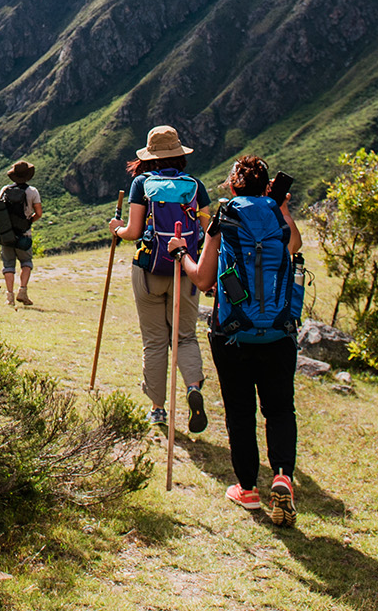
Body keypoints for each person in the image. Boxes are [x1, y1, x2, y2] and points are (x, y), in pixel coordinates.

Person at [168, 154, 303, 525]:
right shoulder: (278, 217)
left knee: (240, 412)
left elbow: (202, 279)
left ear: (233, 184)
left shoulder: (224, 220)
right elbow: (293, 247)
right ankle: (282, 477)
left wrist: (181, 253)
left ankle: (247, 489)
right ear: (267, 188)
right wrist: (281, 206)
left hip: (232, 334)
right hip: (279, 332)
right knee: (279, 409)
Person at [107, 125, 210, 432]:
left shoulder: (142, 184)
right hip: (187, 269)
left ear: (150, 157)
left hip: (150, 270)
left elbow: (134, 232)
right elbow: (205, 233)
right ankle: (193, 387)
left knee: (155, 342)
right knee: (185, 336)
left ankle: (157, 409)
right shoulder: (195, 186)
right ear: (179, 155)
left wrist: (117, 228)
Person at [0, 160, 44, 305]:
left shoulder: (5, 190)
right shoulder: (33, 192)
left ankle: (9, 297)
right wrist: (28, 222)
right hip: (24, 233)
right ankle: (22, 291)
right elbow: (39, 213)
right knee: (26, 262)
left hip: (7, 234)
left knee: (8, 265)